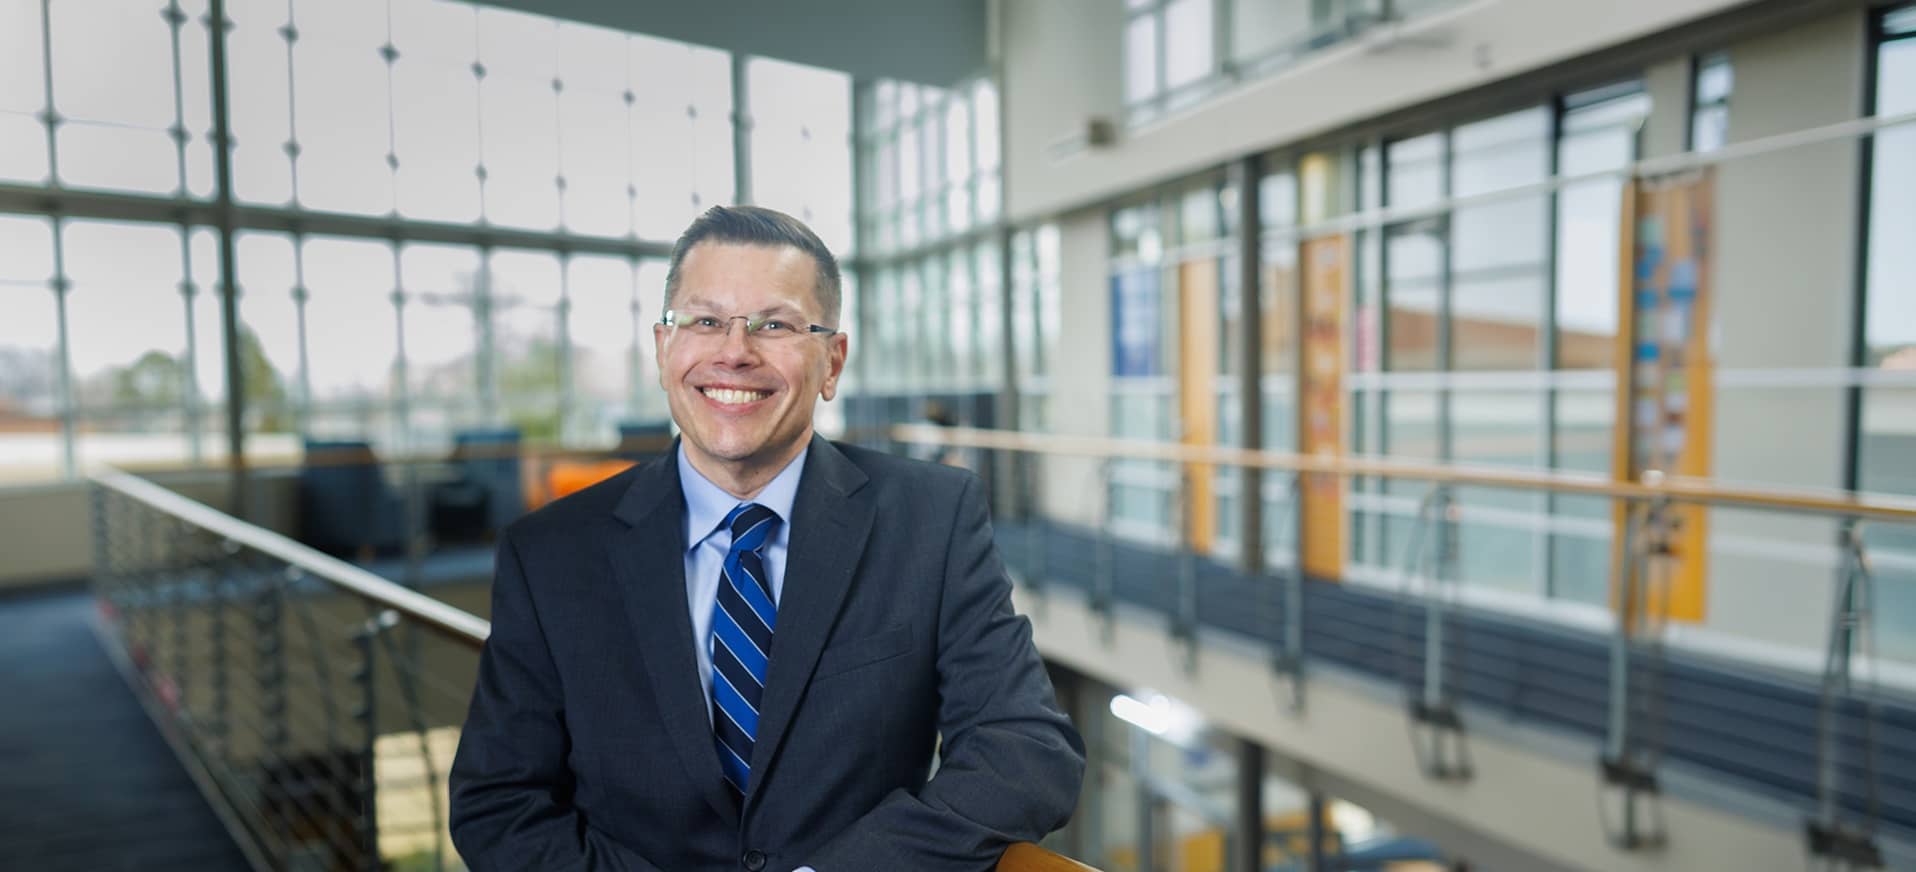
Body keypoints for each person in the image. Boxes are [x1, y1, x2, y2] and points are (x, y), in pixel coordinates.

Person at [448, 205, 1085, 872]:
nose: (734, 351)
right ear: (665, 349)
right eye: (705, 320)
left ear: (832, 362)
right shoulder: (549, 554)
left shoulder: (932, 518)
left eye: (774, 324)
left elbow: (1025, 750)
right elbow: (499, 803)